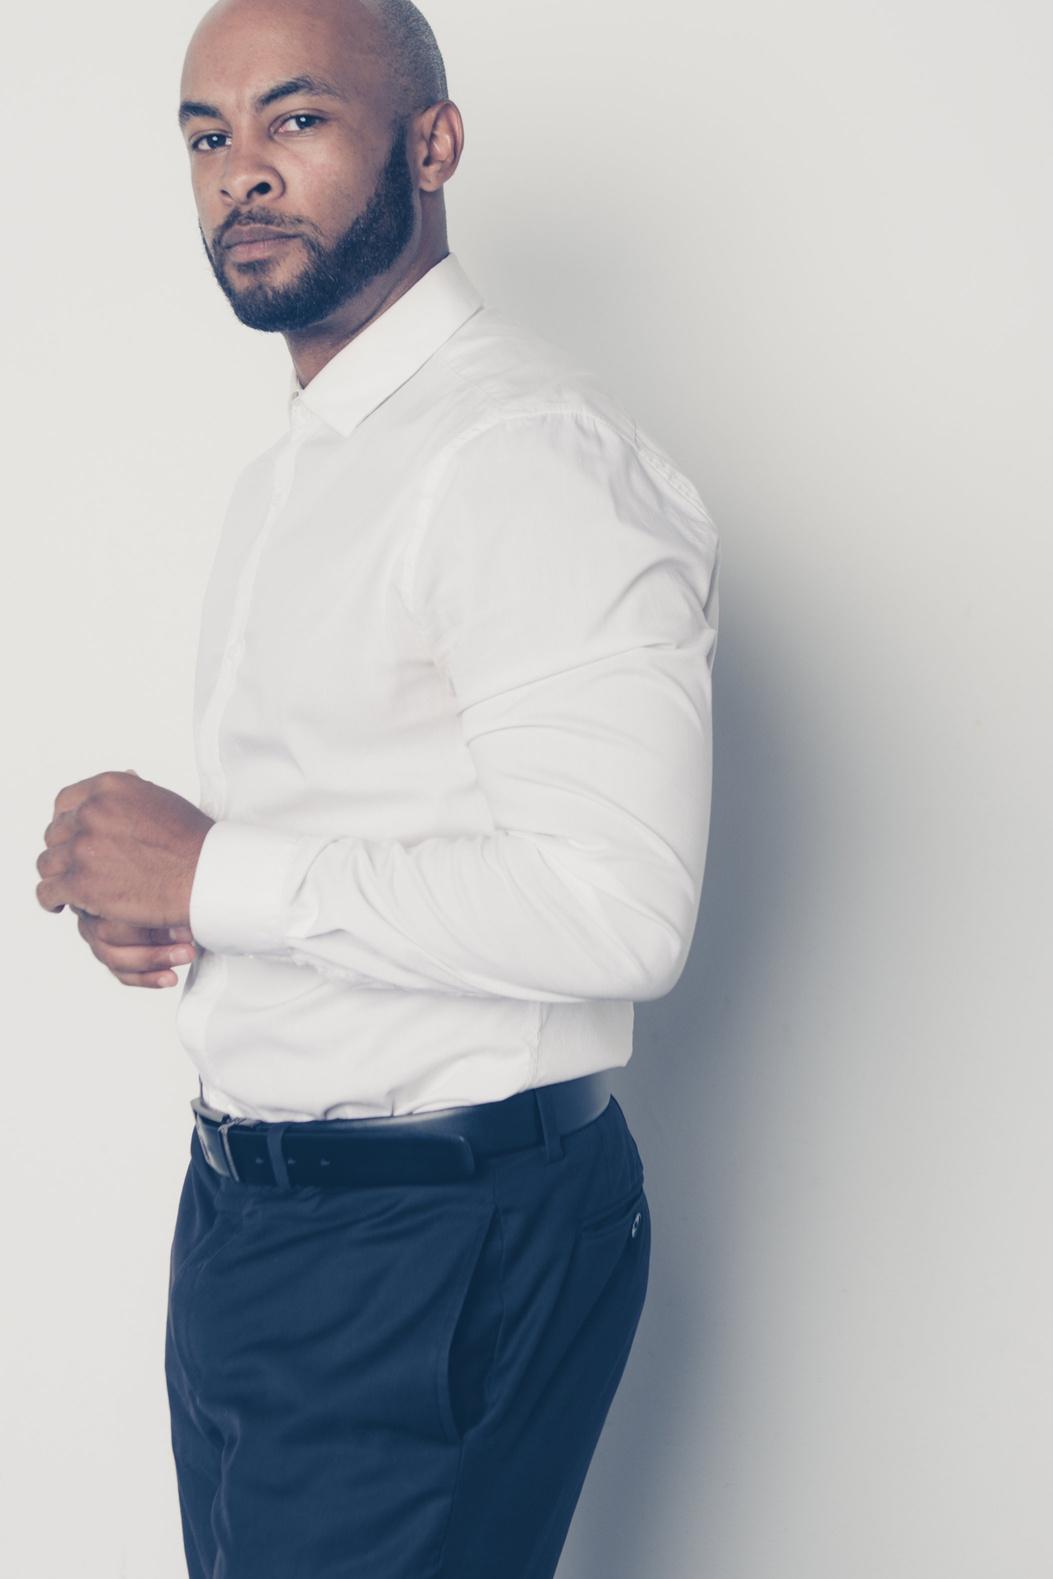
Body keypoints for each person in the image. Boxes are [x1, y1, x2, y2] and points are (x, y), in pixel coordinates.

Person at [34, 0, 720, 1573]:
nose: (239, 172)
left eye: (295, 119)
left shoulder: (523, 457)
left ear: (433, 143)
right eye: (205, 136)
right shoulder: (313, 460)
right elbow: (382, 828)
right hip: (256, 1222)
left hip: (431, 1245)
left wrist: (217, 873)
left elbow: (619, 908)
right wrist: (182, 905)